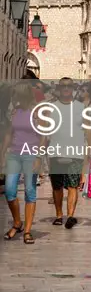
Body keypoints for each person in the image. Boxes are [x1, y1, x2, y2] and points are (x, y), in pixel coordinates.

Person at [48, 78, 90, 230]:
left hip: (76, 153)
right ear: (59, 88)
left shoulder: (81, 107)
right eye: (63, 86)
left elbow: (88, 131)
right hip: (56, 152)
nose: (66, 89)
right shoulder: (52, 107)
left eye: (69, 86)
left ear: (73, 88)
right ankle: (59, 215)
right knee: (57, 186)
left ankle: (70, 215)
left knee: (73, 185)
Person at [3, 83, 41, 244]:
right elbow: (9, 134)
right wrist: (2, 152)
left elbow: (44, 135)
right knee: (10, 191)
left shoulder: (36, 112)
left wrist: (39, 157)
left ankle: (27, 231)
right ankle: (17, 222)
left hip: (31, 155)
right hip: (14, 154)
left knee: (29, 191)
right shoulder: (14, 111)